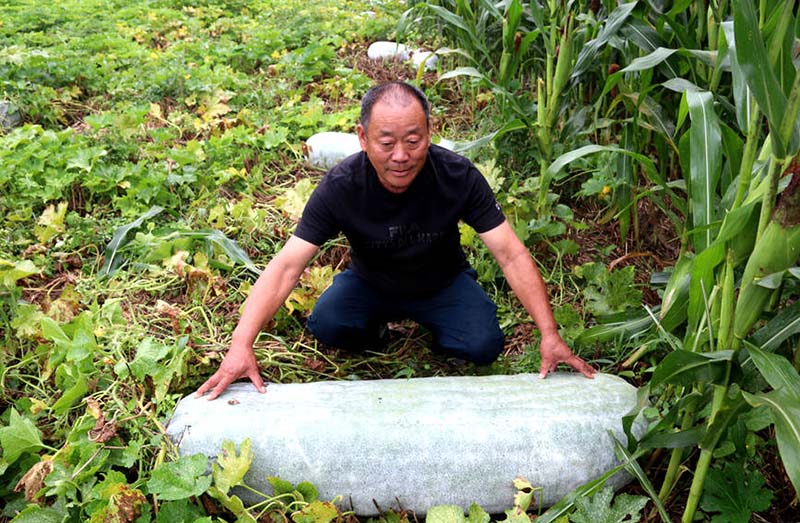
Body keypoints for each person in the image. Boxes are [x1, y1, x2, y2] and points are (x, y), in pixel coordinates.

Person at [197, 81, 595, 400]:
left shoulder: (458, 176)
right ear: (362, 138)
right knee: (329, 325)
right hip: (371, 283)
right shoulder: (340, 186)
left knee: (483, 345)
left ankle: (437, 330)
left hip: (443, 283)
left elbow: (510, 253)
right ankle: (380, 332)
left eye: (413, 140)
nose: (401, 156)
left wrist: (549, 333)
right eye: (386, 143)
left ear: (429, 133)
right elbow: (287, 266)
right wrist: (240, 344)